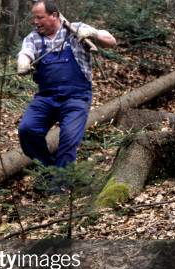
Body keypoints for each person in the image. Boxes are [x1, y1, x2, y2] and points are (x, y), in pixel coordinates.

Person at [17, 0, 116, 171]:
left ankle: (60, 188)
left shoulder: (75, 29)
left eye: (40, 17)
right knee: (27, 130)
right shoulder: (33, 38)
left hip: (76, 97)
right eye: (34, 18)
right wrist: (23, 62)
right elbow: (26, 52)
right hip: (46, 97)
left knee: (69, 138)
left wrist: (92, 33)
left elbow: (111, 41)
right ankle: (50, 171)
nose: (35, 22)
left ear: (54, 15)